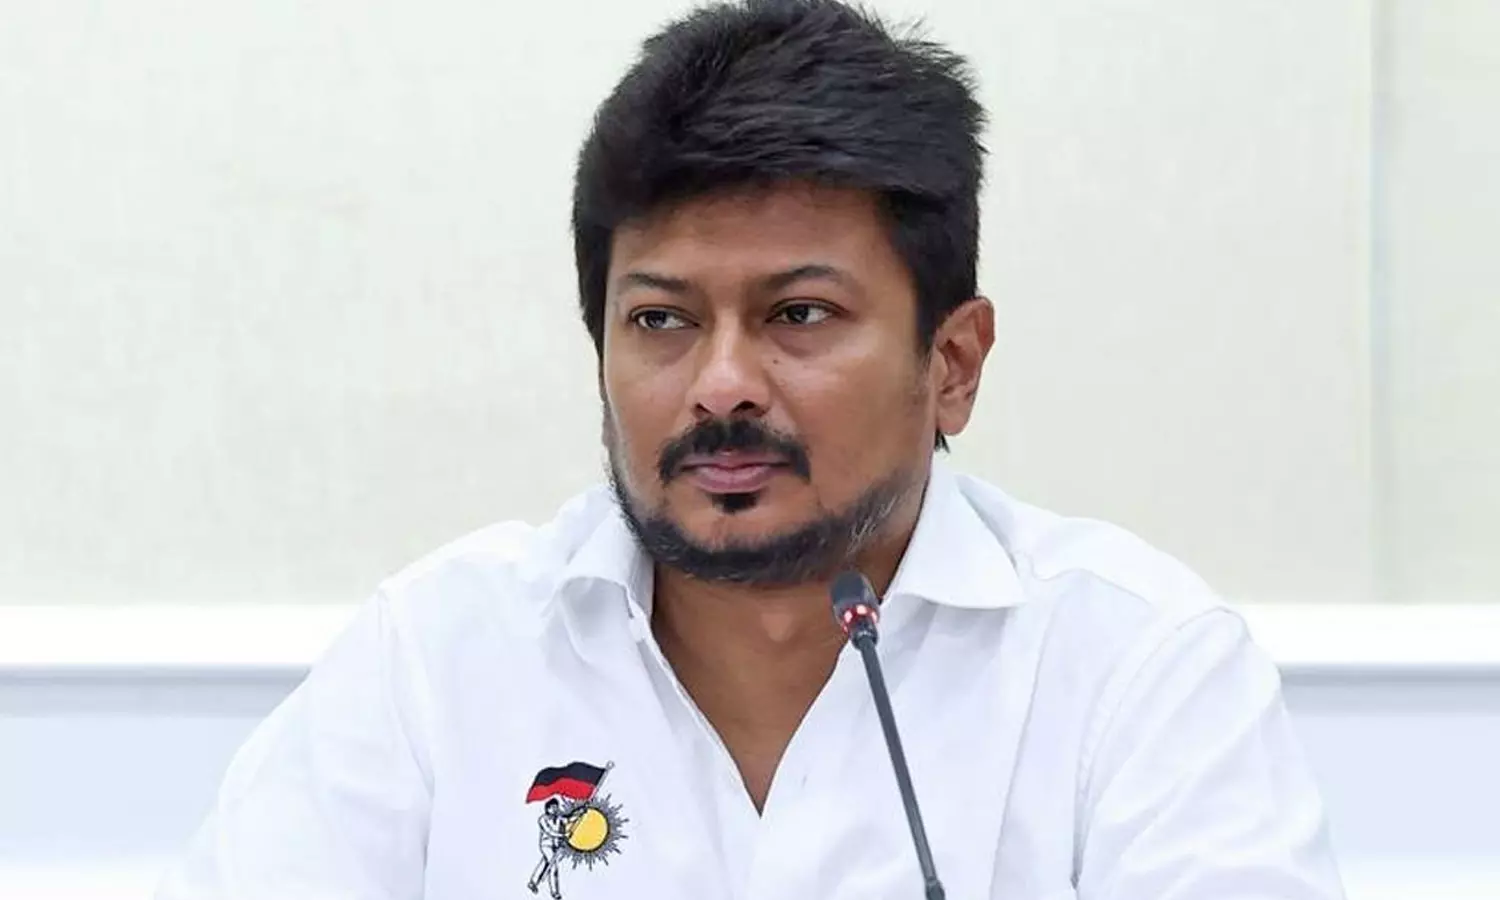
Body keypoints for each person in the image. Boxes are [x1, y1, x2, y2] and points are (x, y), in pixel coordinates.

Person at [156, 1, 1346, 897]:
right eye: (660, 322)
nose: (720, 384)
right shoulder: (437, 661)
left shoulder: (1135, 672)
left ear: (953, 363)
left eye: (798, 314)